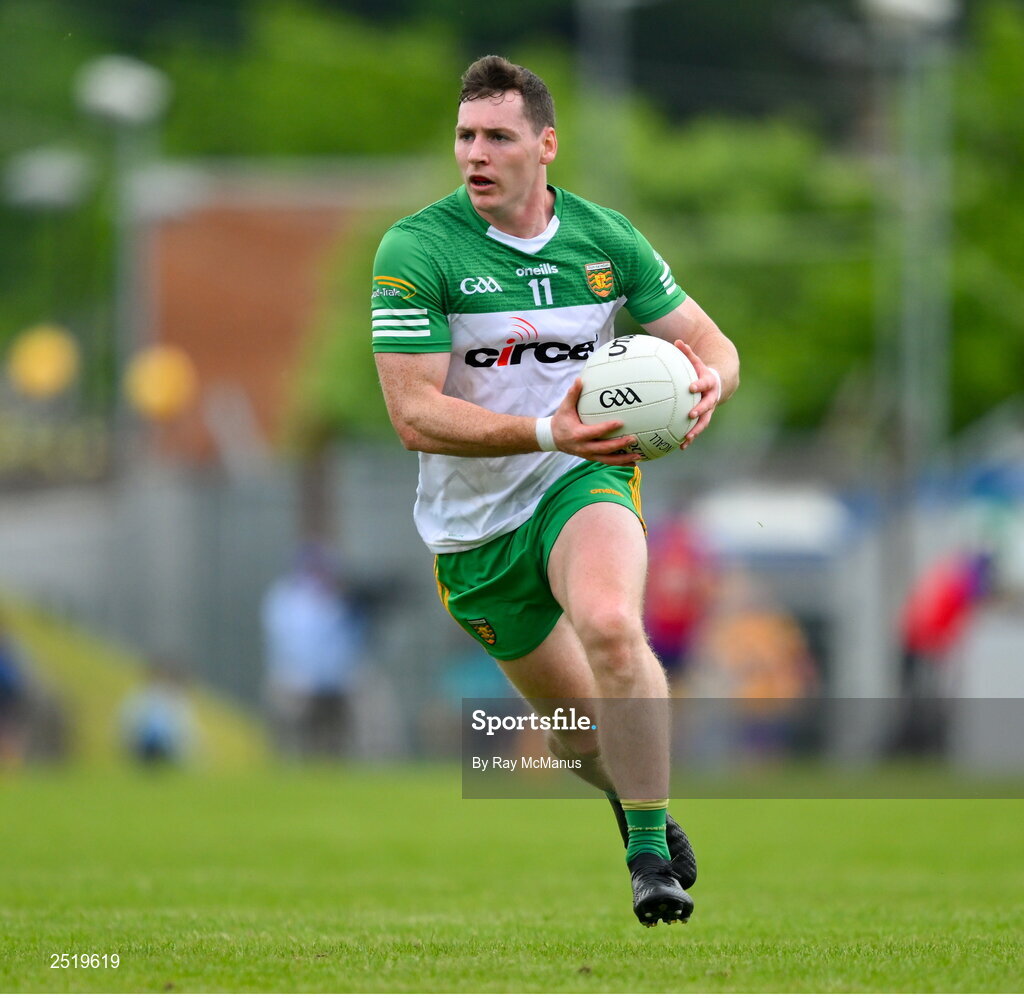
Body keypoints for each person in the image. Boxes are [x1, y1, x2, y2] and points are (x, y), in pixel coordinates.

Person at [371, 56, 739, 927]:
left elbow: (710, 343)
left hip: (585, 477)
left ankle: (649, 860)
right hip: (474, 530)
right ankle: (630, 800)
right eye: (465, 136)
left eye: (497, 136)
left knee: (613, 626)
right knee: (576, 738)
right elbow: (414, 416)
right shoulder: (417, 249)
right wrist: (545, 427)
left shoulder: (606, 240)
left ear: (545, 145)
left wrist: (712, 383)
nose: (476, 153)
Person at [261, 543, 365, 759]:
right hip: (296, 680)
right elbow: (289, 643)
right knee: (295, 738)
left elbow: (352, 642)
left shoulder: (341, 600)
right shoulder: (286, 599)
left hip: (337, 682)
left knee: (339, 737)